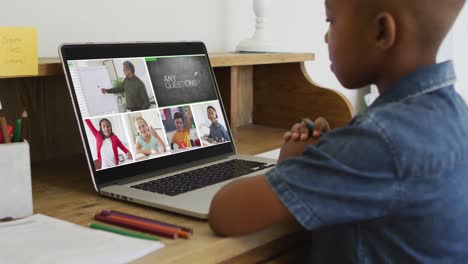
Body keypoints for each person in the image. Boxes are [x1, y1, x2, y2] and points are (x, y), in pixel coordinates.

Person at [209, 0, 468, 263]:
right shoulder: (455, 113)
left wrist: (297, 166)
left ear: (381, 32)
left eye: (331, 22)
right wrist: (330, 156)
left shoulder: (379, 140)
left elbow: (225, 213)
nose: (325, 36)